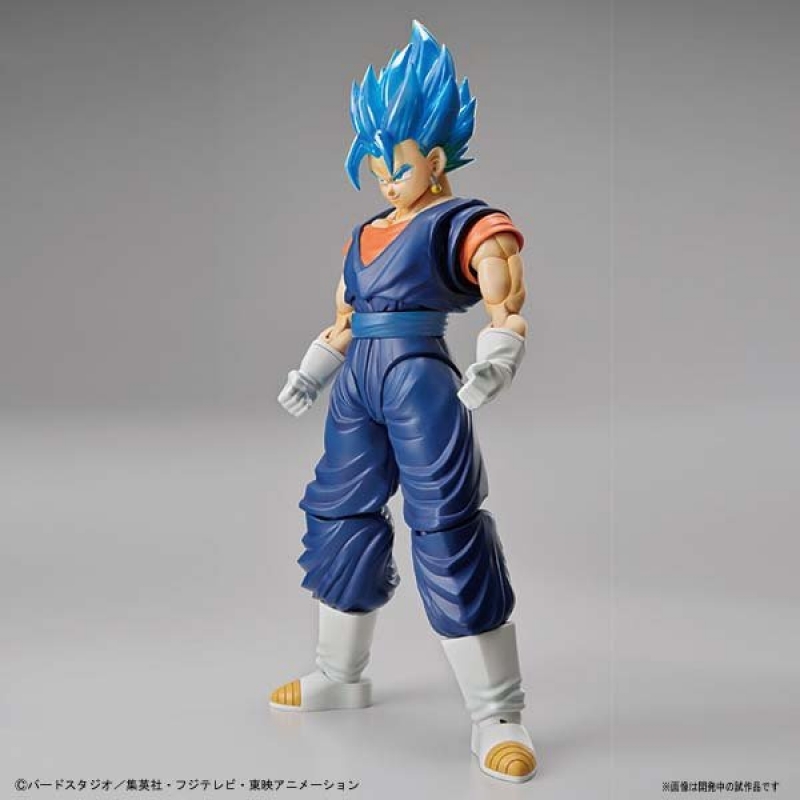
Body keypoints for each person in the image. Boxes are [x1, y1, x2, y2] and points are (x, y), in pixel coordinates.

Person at [270, 21, 537, 783]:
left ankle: (498, 715)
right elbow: (344, 319)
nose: (387, 182)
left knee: (446, 524)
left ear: (436, 159)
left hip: (420, 377)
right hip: (358, 382)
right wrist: (312, 370)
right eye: (376, 168)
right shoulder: (364, 234)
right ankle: (340, 674)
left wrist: (498, 356)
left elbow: (505, 298)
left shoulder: (465, 222)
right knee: (340, 516)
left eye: (398, 165)